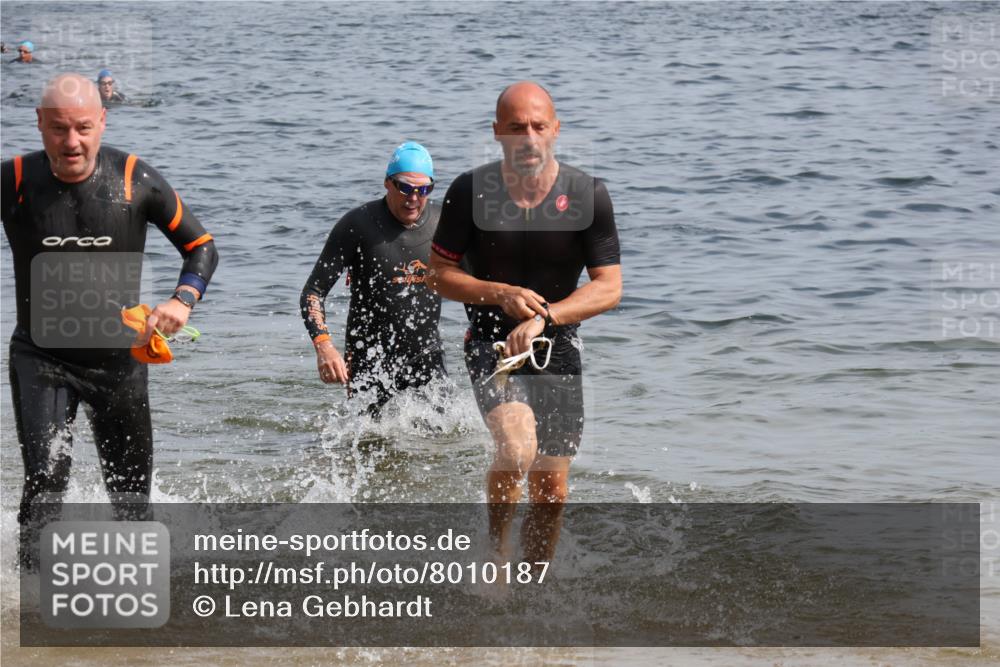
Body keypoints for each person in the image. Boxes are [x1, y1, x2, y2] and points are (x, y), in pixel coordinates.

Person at [1, 73, 219, 568]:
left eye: (82, 127)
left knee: (131, 499)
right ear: (39, 124)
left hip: (118, 361)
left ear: (102, 121)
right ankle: (32, 603)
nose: (71, 142)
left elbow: (201, 248)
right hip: (42, 357)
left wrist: (182, 300)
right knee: (45, 484)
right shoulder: (13, 179)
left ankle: (132, 610)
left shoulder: (134, 178)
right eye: (58, 129)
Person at [428, 81, 621, 563]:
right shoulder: (471, 191)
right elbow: (438, 276)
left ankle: (534, 585)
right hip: (492, 344)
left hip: (558, 343)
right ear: (497, 133)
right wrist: (501, 293)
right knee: (516, 449)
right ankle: (496, 555)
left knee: (552, 487)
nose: (528, 138)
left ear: (556, 130)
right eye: (516, 128)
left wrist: (546, 317)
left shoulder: (587, 194)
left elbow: (609, 287)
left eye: (538, 126)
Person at [301, 141, 446, 418]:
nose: (414, 198)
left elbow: (476, 281)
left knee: (441, 440)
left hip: (427, 356)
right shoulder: (358, 224)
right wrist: (324, 346)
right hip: (370, 360)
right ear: (387, 183)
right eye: (405, 187)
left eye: (423, 190)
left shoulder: (443, 223)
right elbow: (313, 292)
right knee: (370, 441)